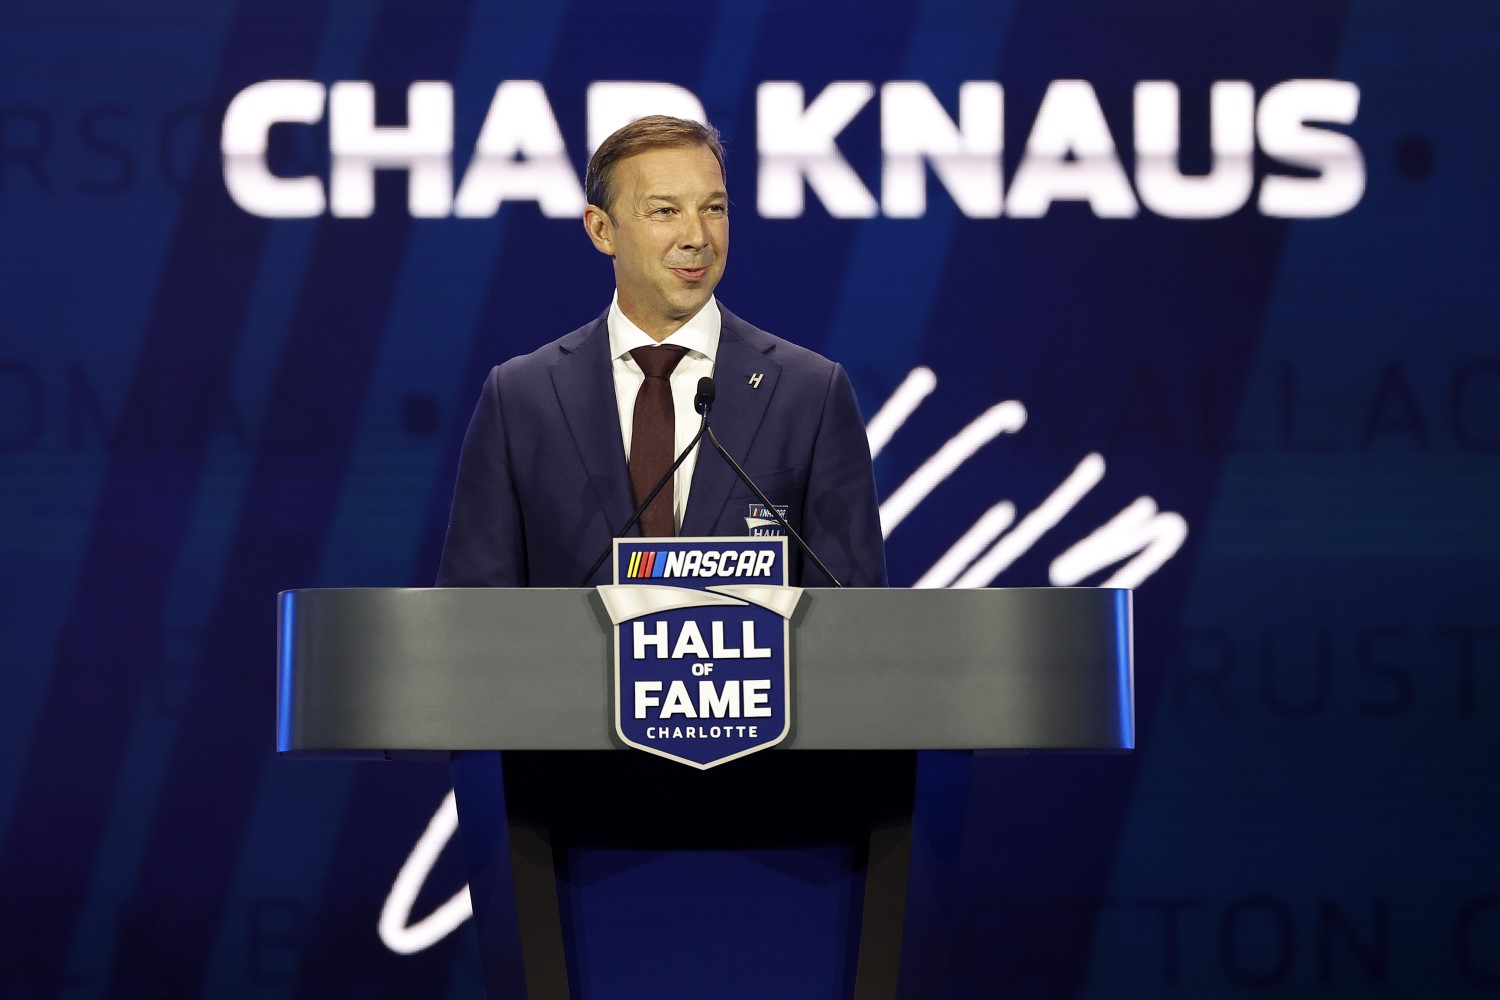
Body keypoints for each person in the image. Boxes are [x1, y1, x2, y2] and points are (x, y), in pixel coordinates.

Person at [436, 115, 885, 588]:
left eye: (713, 208)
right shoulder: (522, 399)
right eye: (665, 211)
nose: (697, 237)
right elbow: (473, 616)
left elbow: (854, 618)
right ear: (601, 230)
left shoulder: (808, 393)